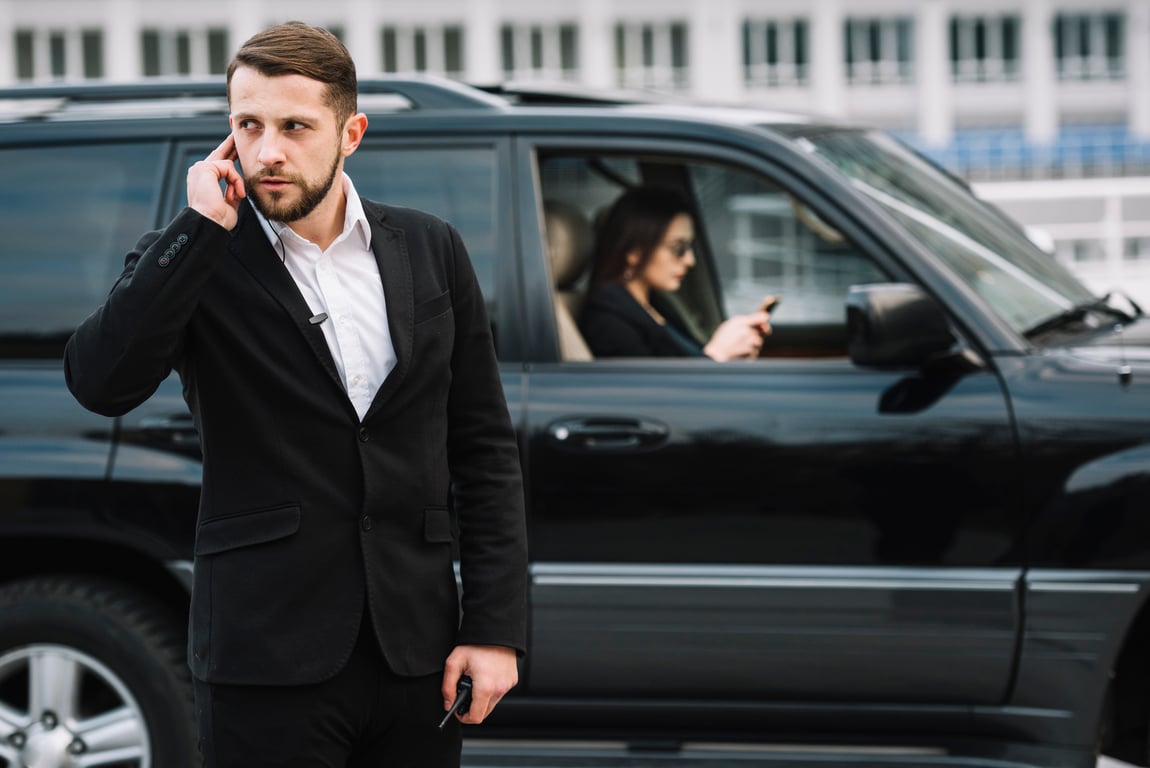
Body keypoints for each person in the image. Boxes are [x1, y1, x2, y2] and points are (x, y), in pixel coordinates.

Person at [64, 21, 527, 768]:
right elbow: (100, 382)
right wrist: (196, 230)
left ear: (351, 133)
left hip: (416, 652)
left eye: (295, 127)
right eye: (248, 125)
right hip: (264, 655)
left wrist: (494, 626)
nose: (268, 151)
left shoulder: (431, 247)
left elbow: (483, 448)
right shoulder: (192, 256)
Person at [579, 186, 774, 359]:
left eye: (689, 248)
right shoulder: (607, 320)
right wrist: (717, 355)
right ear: (634, 252)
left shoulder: (656, 304)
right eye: (678, 248)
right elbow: (651, 396)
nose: (690, 261)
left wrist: (734, 355)